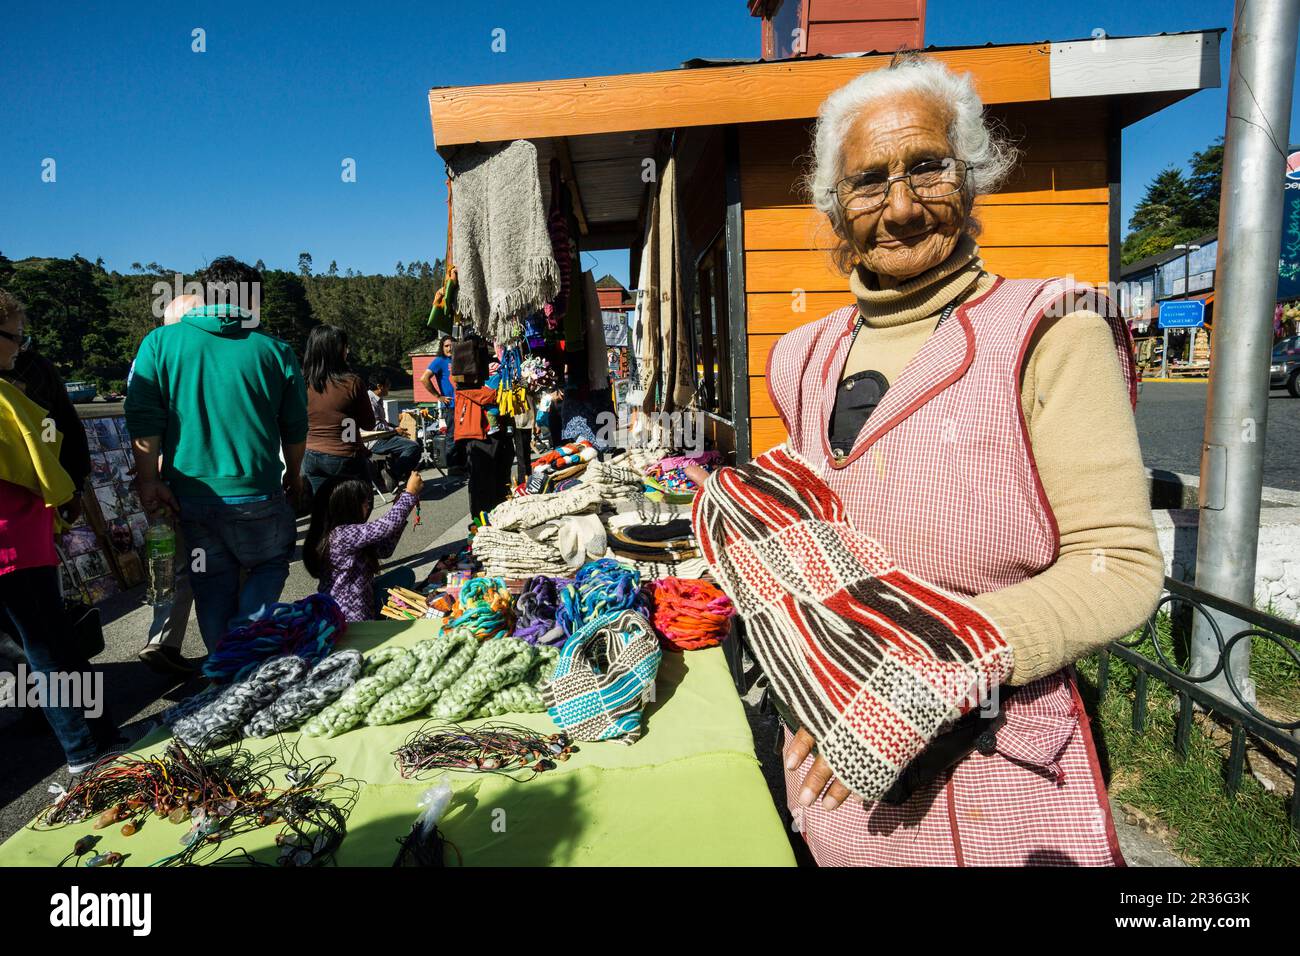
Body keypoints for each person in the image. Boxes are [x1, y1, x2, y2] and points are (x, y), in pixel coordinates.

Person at [695, 56, 1163, 867]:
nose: (902, 207)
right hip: (839, 758)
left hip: (995, 758)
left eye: (928, 168)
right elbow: (820, 539)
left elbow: (1118, 567)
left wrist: (946, 668)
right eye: (870, 180)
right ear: (835, 206)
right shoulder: (802, 355)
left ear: (973, 175)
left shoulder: (1054, 331)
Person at [125, 257, 308, 652]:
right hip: (257, 490)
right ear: (251, 299)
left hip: (190, 495)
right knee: (270, 563)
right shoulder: (275, 351)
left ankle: (224, 666)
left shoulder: (159, 344)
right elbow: (294, 426)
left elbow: (143, 420)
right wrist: (294, 474)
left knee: (211, 584)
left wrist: (149, 480)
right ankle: (241, 648)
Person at [0, 290, 125, 773]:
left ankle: (100, 736)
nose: (19, 348)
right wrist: (65, 493)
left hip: (19, 542)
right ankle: (84, 753)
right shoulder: (6, 397)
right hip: (15, 543)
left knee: (48, 645)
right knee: (50, 648)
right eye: (14, 336)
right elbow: (45, 464)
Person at [128, 293, 202, 676]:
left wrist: (147, 477)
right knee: (212, 562)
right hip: (191, 479)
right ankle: (231, 646)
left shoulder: (147, 359)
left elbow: (140, 419)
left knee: (172, 563)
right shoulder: (201, 356)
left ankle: (162, 640)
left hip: (160, 478)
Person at [303, 471, 422, 622]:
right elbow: (386, 526)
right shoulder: (340, 535)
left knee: (405, 574)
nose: (368, 505)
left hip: (365, 595)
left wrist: (400, 506)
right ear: (346, 506)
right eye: (364, 502)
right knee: (402, 581)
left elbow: (385, 549)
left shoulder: (345, 533)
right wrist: (409, 494)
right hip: (348, 615)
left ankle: (380, 613)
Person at [301, 325, 374, 495]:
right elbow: (369, 424)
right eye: (344, 346)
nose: (347, 351)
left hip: (310, 455)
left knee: (324, 509)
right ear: (336, 350)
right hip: (344, 456)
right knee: (360, 505)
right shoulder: (351, 383)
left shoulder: (301, 382)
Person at [366, 373, 422, 489]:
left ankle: (407, 480)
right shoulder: (370, 401)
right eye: (387, 385)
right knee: (413, 446)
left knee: (412, 443)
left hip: (382, 436)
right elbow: (375, 427)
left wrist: (395, 428)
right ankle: (394, 473)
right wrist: (395, 430)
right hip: (374, 440)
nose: (389, 387)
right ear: (379, 386)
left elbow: (381, 422)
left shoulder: (377, 399)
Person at [421, 336, 464, 472]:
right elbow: (424, 379)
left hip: (463, 404)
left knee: (464, 436)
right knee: (452, 436)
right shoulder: (440, 361)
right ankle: (452, 467)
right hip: (450, 406)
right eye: (446, 346)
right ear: (442, 347)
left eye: (451, 345)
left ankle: (462, 465)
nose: (449, 348)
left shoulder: (459, 359)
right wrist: (438, 396)